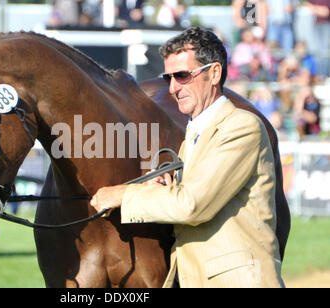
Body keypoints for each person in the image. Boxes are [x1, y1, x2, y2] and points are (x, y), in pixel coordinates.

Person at [90, 27, 284, 288]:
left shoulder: (241, 127)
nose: (172, 88)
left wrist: (124, 195)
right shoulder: (193, 134)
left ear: (214, 73)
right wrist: (160, 190)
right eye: (168, 77)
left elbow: (193, 204)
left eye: (182, 76)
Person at [304, 0, 330, 77]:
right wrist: (318, 9)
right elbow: (307, 4)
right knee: (316, 53)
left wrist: (314, 9)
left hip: (325, 25)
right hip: (316, 25)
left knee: (324, 53)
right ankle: (318, 75)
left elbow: (326, 12)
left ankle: (323, 76)